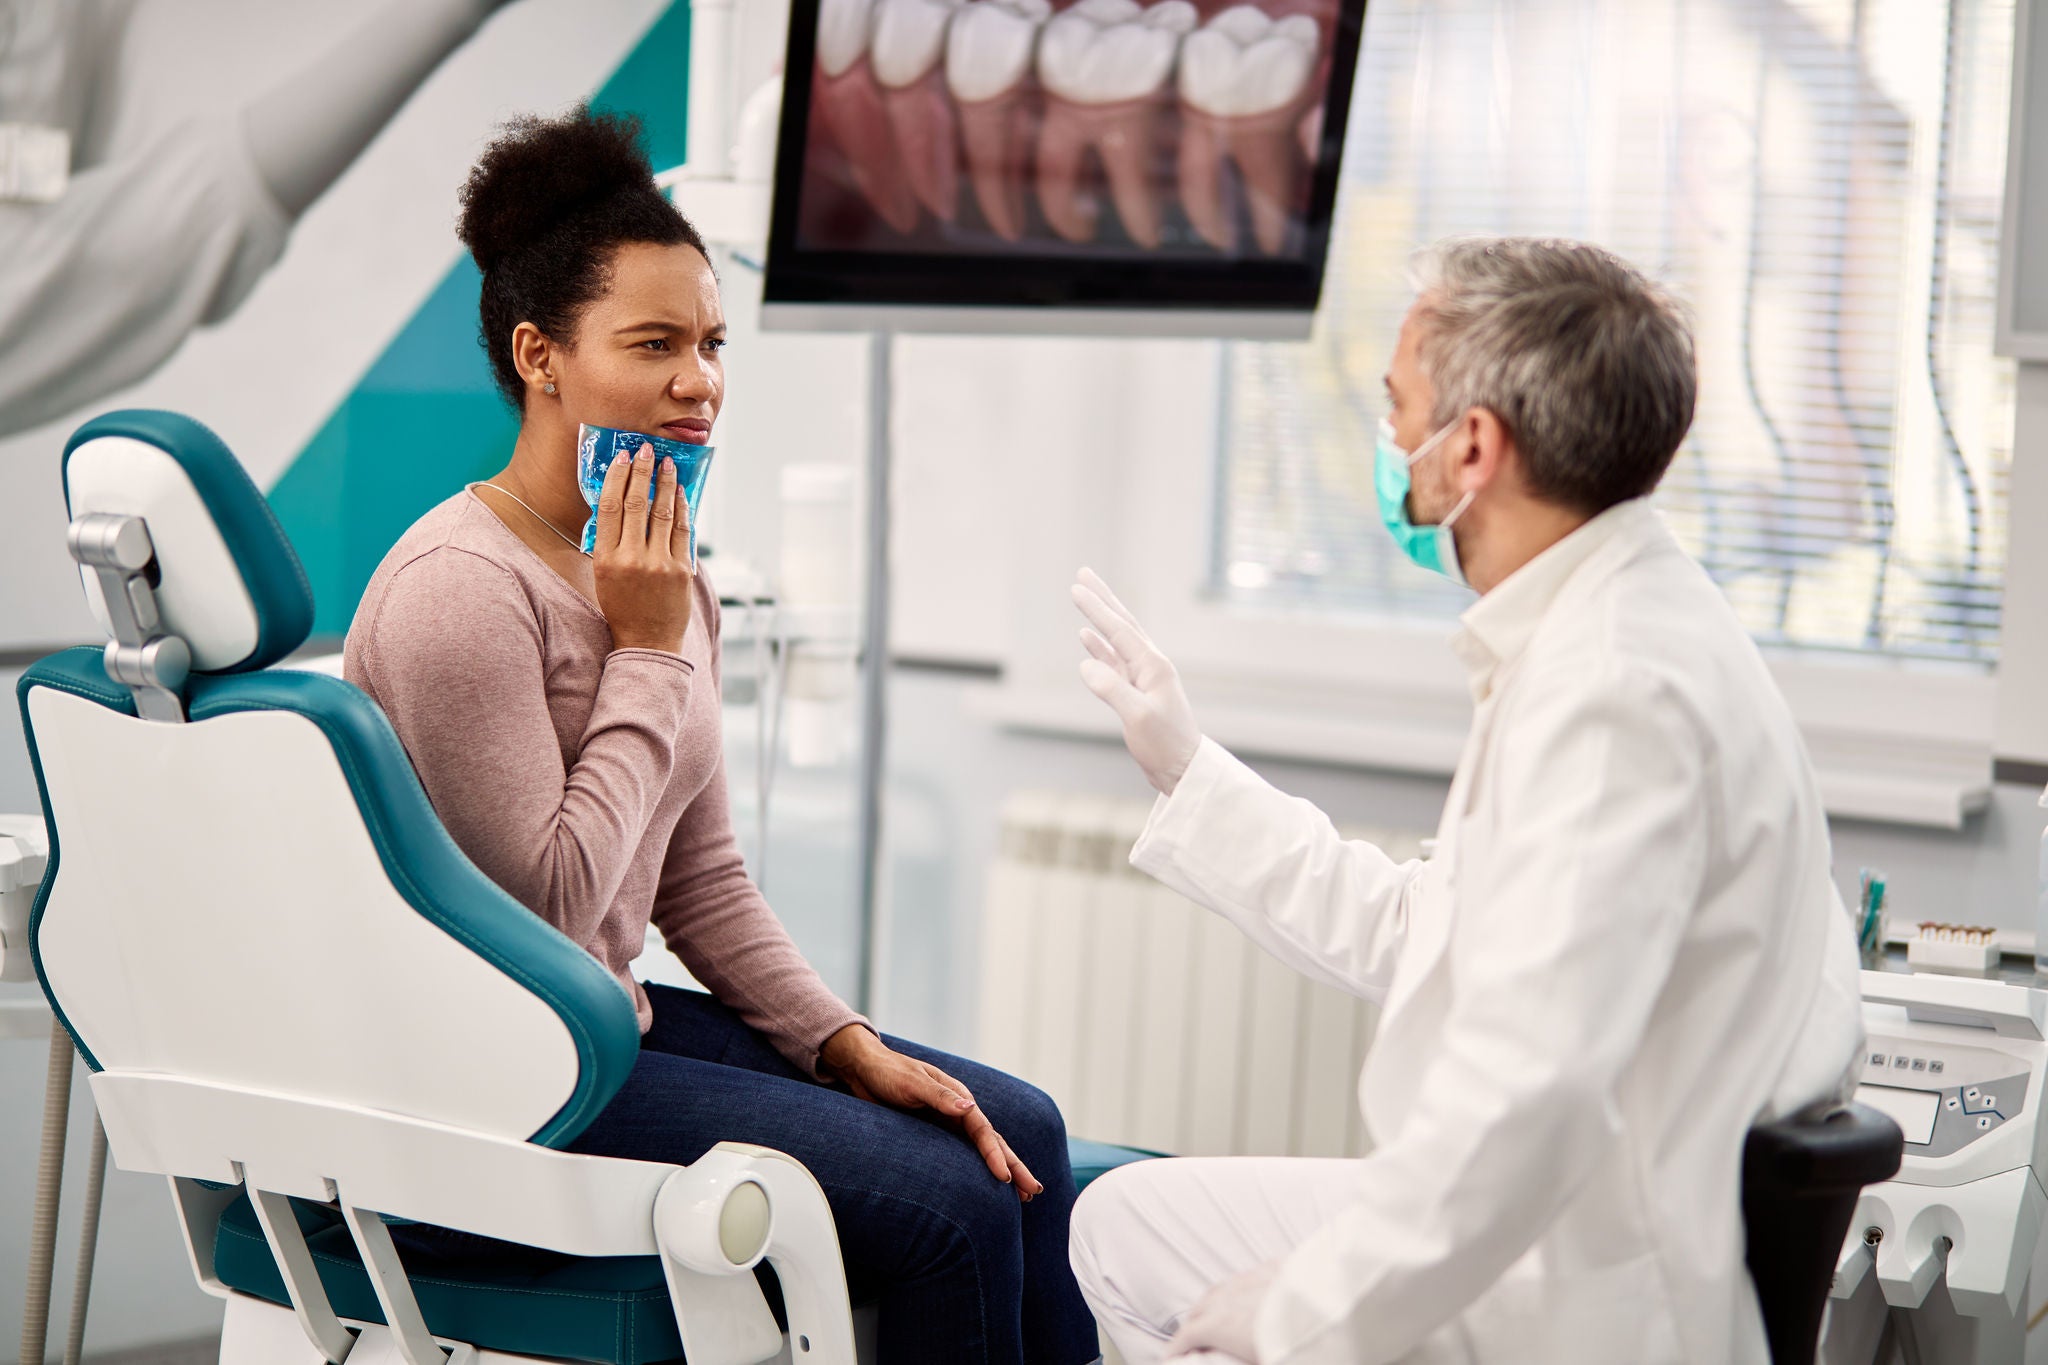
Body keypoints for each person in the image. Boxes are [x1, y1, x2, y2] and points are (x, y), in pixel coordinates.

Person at [342, 106, 1100, 1365]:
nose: (699, 382)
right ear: (540, 357)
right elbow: (550, 907)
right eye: (653, 345)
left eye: (710, 342)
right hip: (498, 1068)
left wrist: (838, 1041)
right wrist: (643, 649)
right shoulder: (458, 592)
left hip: (598, 1029)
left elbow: (699, 875)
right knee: (949, 1206)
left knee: (1023, 1131)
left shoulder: (662, 570)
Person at [1065, 237, 1865, 1365]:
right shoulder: (1611, 624)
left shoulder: (1611, 695)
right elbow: (1433, 929)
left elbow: (1521, 1099)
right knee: (1117, 1224)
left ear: (1473, 446)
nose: (1388, 442)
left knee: (1202, 1315)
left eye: (1397, 406)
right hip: (1564, 1228)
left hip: (1566, 1288)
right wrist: (1188, 769)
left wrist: (1302, 1311)